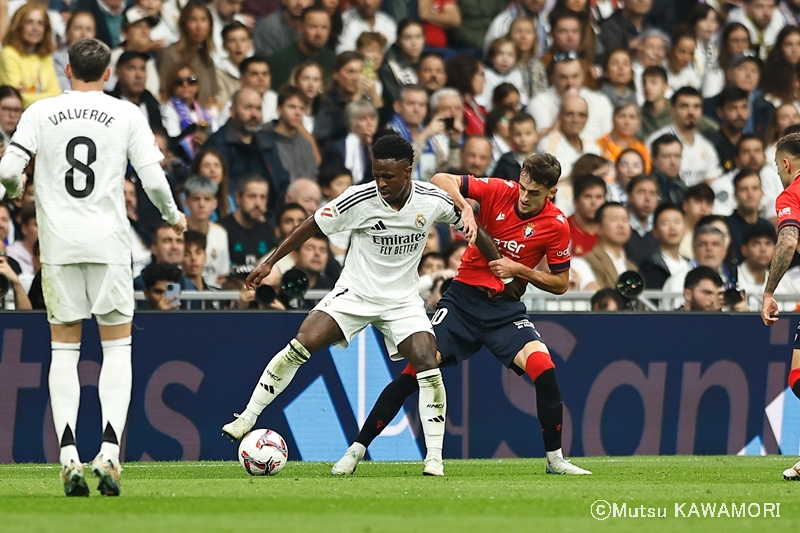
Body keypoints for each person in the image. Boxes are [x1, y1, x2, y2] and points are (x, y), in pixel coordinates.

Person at [221, 134, 473, 478]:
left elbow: (470, 227)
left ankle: (434, 459)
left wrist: (499, 262)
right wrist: (269, 262)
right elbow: (312, 223)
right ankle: (248, 418)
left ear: (409, 171)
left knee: (428, 361)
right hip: (356, 291)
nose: (380, 182)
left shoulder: (431, 201)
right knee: (303, 341)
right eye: (376, 174)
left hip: (402, 299)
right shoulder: (360, 198)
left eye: (388, 176)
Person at [0, 38, 185, 497]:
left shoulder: (40, 112)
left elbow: (7, 167)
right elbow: (153, 178)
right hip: (108, 246)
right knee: (117, 350)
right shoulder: (125, 114)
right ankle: (108, 452)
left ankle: (67, 456)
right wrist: (172, 216)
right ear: (107, 74)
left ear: (66, 69)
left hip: (58, 247)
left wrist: (14, 187)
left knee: (64, 351)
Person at [331, 152, 592, 477]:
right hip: (461, 303)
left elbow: (561, 283)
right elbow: (443, 180)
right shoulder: (499, 190)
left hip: (504, 310)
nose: (524, 197)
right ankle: (355, 451)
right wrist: (464, 205)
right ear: (520, 177)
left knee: (545, 368)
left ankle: (555, 460)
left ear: (551, 192)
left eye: (534, 193)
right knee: (414, 374)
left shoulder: (556, 226)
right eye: (523, 187)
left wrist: (520, 269)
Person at [762, 131, 800, 480]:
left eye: (777, 167)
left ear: (787, 164)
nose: (778, 172)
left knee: (799, 376)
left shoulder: (792, 193)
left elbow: (788, 241)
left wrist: (769, 291)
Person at [647, 87, 721, 187]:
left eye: (696, 107)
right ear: (672, 110)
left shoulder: (707, 147)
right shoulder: (656, 141)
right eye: (684, 106)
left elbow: (712, 183)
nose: (691, 112)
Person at [0, 4, 61, 109]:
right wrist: (47, 94)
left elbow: (57, 94)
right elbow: (16, 100)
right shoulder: (8, 54)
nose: (35, 28)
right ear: (18, 25)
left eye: (40, 23)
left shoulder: (45, 57)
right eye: (29, 22)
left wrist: (28, 94)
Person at [219, 174, 276, 280]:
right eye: (252, 196)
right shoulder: (221, 230)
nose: (258, 203)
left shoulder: (268, 233)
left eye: (262, 197)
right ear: (238, 198)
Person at [570, 202, 637, 291]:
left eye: (625, 220)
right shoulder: (590, 260)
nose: (621, 225)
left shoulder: (632, 266)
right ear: (598, 227)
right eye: (614, 219)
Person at [268, 6, 335, 90]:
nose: (319, 34)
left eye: (324, 27)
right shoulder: (279, 60)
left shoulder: (334, 61)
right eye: (313, 27)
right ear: (300, 27)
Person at [183, 176, 230, 287]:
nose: (201, 204)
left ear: (215, 203)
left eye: (207, 199)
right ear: (187, 202)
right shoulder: (175, 232)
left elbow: (222, 276)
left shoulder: (220, 234)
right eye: (196, 199)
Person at [264, 85, 318, 180]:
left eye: (302, 108)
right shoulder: (262, 139)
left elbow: (312, 178)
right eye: (292, 107)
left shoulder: (305, 144)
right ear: (279, 109)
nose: (298, 113)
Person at [639, 203, 689, 289]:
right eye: (665, 223)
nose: (672, 228)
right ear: (655, 232)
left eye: (677, 222)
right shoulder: (650, 266)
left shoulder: (689, 263)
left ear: (685, 229)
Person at [493, 112, 538, 181]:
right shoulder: (505, 162)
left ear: (536, 135)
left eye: (528, 133)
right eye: (517, 134)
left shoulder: (542, 163)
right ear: (511, 137)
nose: (523, 139)